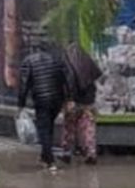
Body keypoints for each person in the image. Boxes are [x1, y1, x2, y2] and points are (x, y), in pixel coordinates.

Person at [17, 37, 68, 172]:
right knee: (48, 127)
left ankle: (49, 160)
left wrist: (20, 104)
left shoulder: (28, 61)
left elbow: (23, 85)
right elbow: (65, 80)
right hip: (57, 100)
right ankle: (45, 156)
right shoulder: (56, 60)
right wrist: (66, 99)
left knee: (44, 129)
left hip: (41, 100)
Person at [61, 41, 103, 165]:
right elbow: (96, 77)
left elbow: (69, 82)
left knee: (69, 127)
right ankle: (91, 152)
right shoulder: (88, 65)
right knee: (88, 128)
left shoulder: (69, 65)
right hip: (88, 102)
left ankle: (67, 152)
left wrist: (68, 98)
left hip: (74, 101)